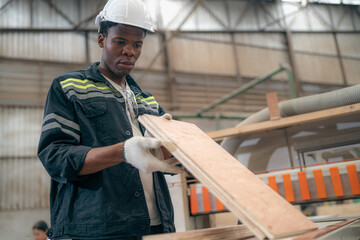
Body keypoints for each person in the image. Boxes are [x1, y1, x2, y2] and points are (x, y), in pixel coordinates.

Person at [37, 0, 183, 239]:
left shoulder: (148, 101)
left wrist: (177, 150)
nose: (130, 51)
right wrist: (123, 151)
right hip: (99, 228)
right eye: (120, 42)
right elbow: (55, 157)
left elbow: (166, 162)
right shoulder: (69, 88)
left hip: (156, 227)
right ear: (102, 39)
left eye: (138, 44)